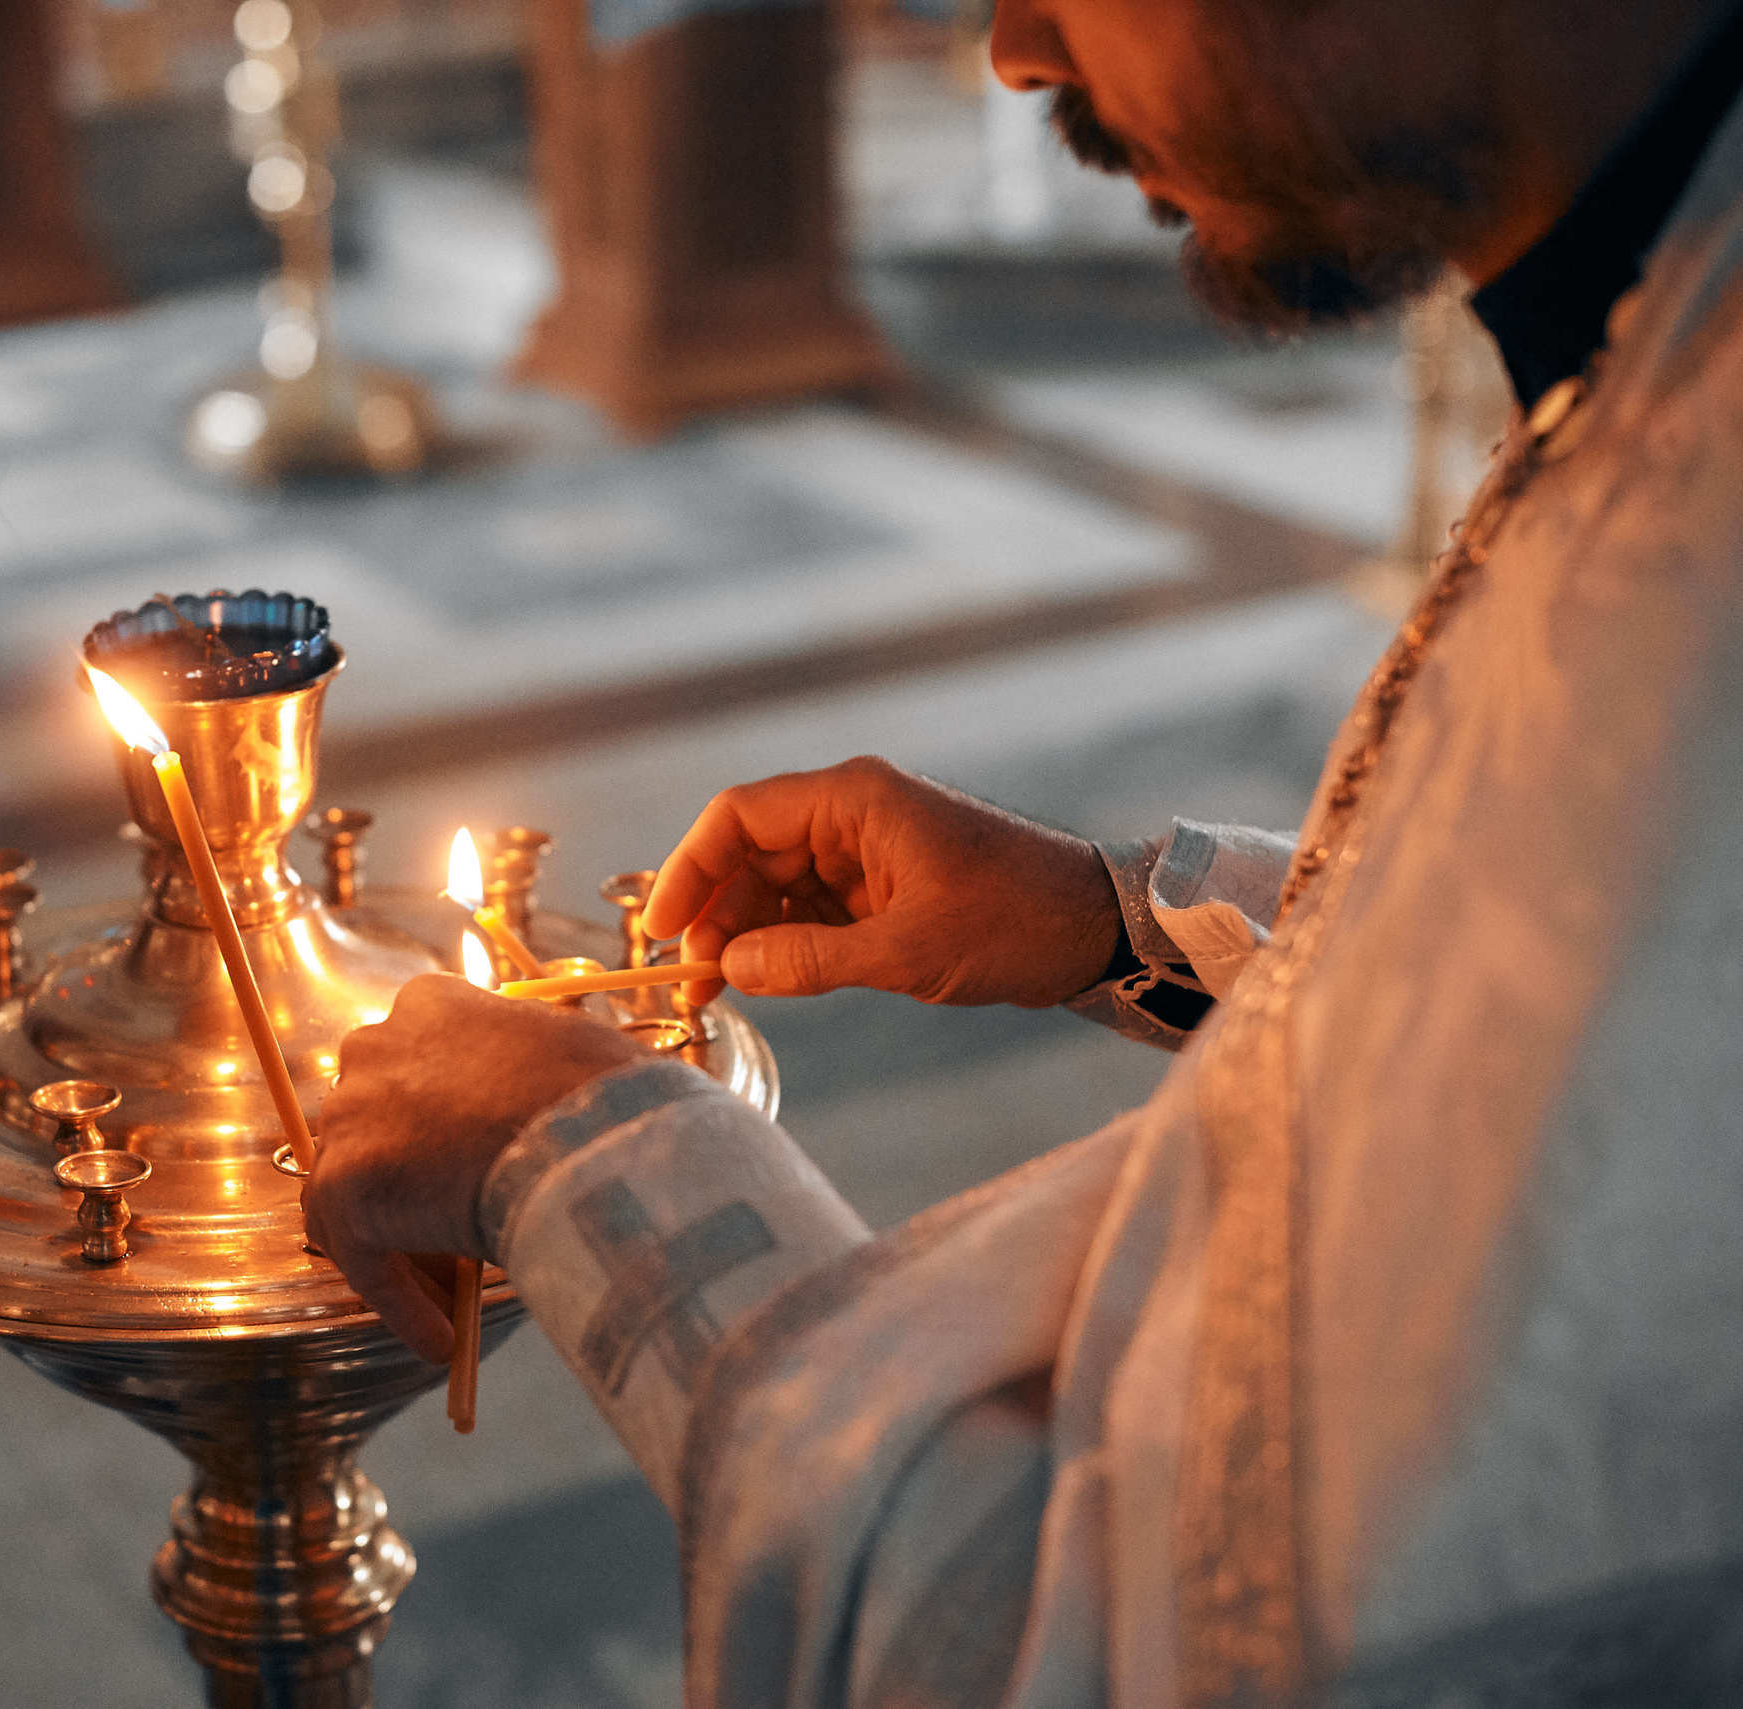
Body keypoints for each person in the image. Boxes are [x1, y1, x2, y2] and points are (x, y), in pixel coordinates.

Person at [304, 1, 1743, 1701]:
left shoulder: (1691, 588)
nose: (1018, 49)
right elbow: (1542, 1014)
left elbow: (1145, 1647)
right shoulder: (1665, 332)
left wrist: (573, 1159)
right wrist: (1104, 916)